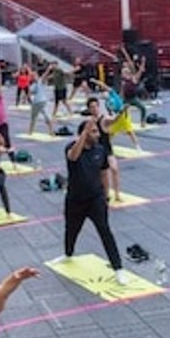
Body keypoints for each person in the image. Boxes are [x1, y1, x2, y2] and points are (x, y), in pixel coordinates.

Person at [56, 120, 127, 284]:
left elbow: (104, 173)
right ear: (84, 134)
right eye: (93, 132)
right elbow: (73, 157)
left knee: (105, 231)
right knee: (71, 230)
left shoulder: (100, 150)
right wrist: (83, 134)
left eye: (96, 131)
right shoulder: (71, 148)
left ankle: (118, 268)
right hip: (75, 199)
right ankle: (68, 254)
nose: (97, 135)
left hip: (95, 199)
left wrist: (106, 195)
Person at [26, 64, 55, 135]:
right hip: (35, 103)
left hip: (41, 102)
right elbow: (29, 94)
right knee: (33, 118)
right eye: (33, 76)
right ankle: (30, 131)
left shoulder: (40, 81)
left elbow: (44, 75)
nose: (33, 77)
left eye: (35, 76)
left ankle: (51, 131)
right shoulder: (32, 85)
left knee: (47, 117)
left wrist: (48, 69)